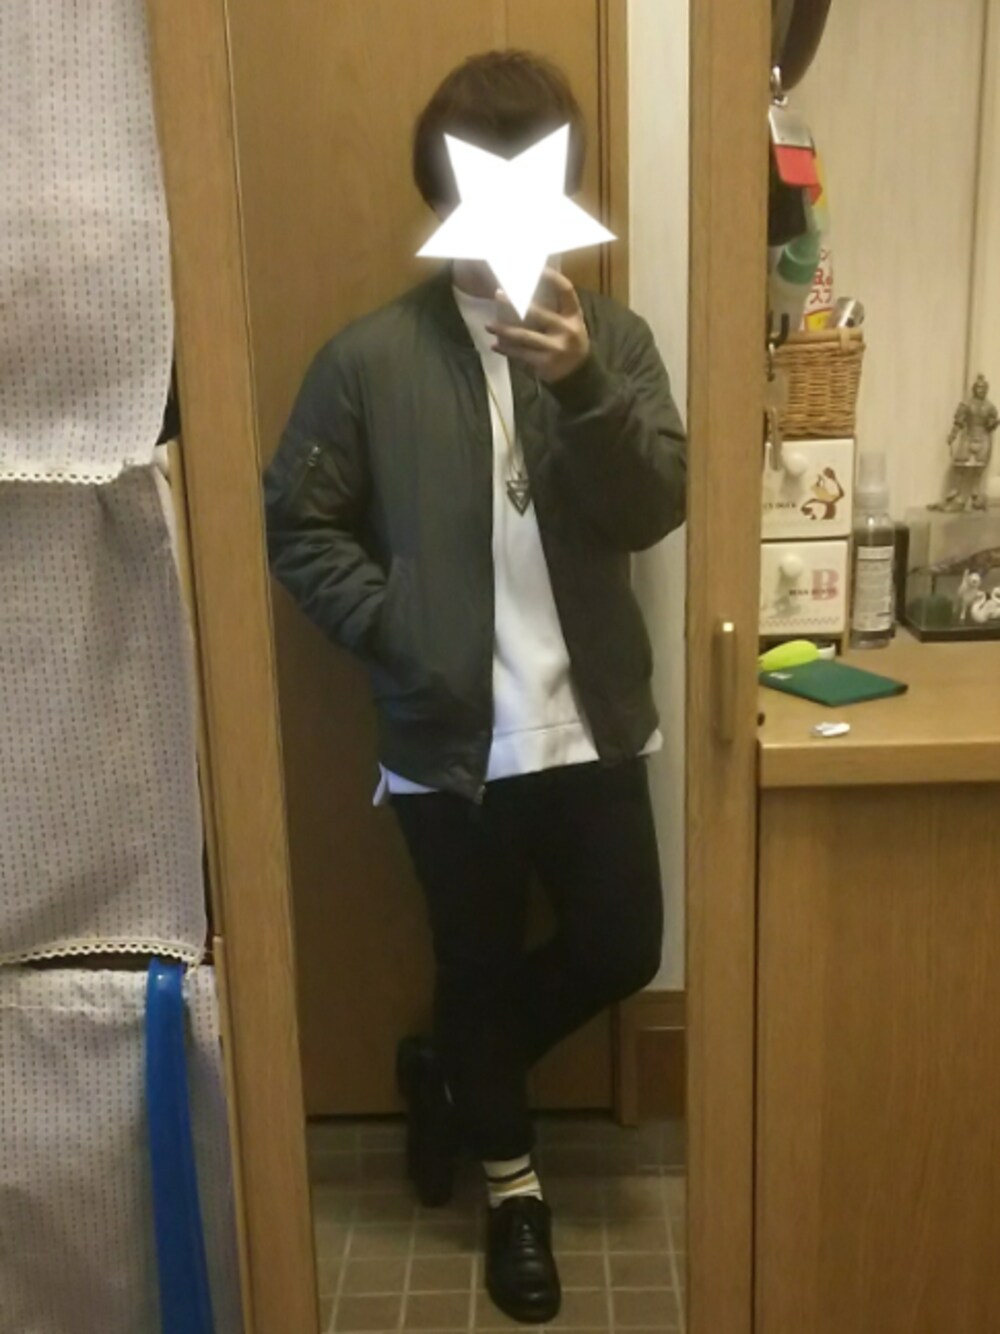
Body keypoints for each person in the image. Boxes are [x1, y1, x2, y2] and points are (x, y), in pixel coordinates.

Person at [264, 49, 686, 1326]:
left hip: (591, 722)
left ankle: (449, 1066)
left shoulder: (614, 340)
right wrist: (396, 628)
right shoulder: (367, 359)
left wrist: (582, 385)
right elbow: (298, 525)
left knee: (621, 943)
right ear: (441, 189)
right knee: (476, 956)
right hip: (446, 737)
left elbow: (655, 503)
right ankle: (514, 1188)